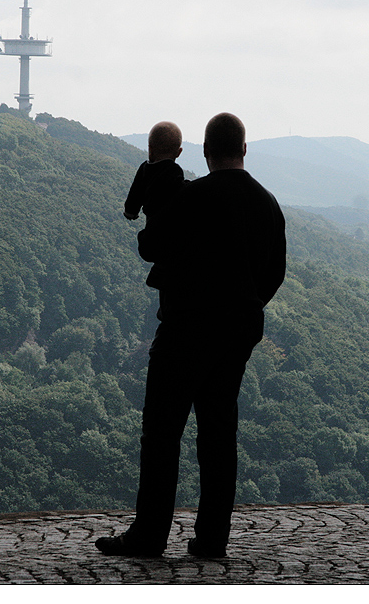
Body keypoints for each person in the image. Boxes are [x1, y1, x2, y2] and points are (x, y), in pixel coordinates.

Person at [97, 112, 286, 558]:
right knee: (218, 433)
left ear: (205, 151)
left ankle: (149, 536)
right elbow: (274, 274)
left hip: (185, 329)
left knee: (162, 432)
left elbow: (150, 246)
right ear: (243, 149)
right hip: (237, 334)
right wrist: (246, 304)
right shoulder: (267, 203)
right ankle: (211, 539)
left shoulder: (193, 197)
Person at [123, 121, 188, 288]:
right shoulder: (175, 173)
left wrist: (131, 213)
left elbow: (131, 205)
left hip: (150, 239)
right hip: (172, 239)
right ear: (179, 152)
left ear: (150, 148)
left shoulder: (144, 170)